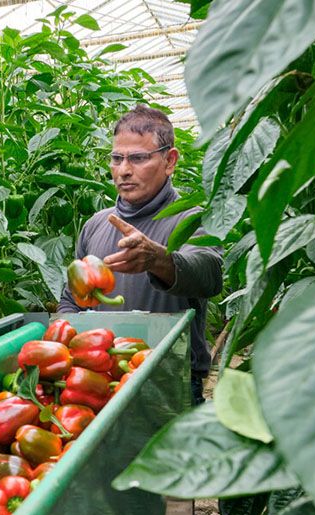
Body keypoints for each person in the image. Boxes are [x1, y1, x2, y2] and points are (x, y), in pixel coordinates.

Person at [57, 105, 222, 406]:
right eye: (117, 158)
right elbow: (71, 300)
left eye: (138, 158)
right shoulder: (96, 224)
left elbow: (210, 274)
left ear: (169, 161)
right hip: (103, 384)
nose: (123, 170)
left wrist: (157, 259)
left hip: (171, 384)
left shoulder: (191, 219)